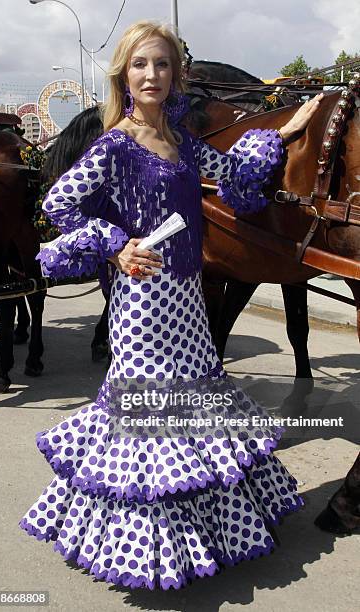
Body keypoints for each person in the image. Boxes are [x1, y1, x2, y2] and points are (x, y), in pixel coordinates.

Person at [19, 21, 323, 590]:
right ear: (124, 76)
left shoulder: (184, 144)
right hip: (142, 304)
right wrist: (116, 245)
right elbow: (61, 202)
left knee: (194, 412)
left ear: (175, 75)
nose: (151, 75)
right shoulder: (117, 144)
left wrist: (290, 126)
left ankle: (209, 533)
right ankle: (145, 552)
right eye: (140, 65)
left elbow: (233, 172)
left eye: (161, 65)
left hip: (186, 298)